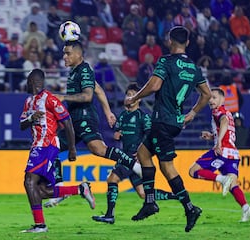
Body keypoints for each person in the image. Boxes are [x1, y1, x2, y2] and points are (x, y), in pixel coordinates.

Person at [125, 26, 212, 232]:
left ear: (169, 41)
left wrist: (134, 97)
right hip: (175, 121)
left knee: (167, 167)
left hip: (162, 120)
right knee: (143, 154)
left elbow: (154, 85)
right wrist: (192, 113)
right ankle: (149, 202)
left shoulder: (166, 61)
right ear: (188, 43)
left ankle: (189, 208)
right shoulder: (193, 67)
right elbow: (207, 94)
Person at [45, 40, 142, 206]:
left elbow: (88, 95)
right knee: (50, 148)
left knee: (98, 149)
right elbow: (98, 89)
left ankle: (133, 165)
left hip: (84, 116)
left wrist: (64, 97)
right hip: (74, 120)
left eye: (68, 53)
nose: (64, 57)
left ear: (78, 54)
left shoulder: (84, 70)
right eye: (64, 53)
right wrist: (108, 111)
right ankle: (60, 189)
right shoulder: (76, 71)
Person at [19, 69, 95, 233]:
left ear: (33, 81)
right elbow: (22, 125)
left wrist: (72, 148)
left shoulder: (50, 99)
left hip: (47, 145)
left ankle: (40, 225)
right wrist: (32, 118)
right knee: (41, 190)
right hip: (37, 145)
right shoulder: (29, 101)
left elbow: (67, 122)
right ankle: (80, 189)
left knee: (29, 181)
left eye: (28, 80)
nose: (26, 83)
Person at [92, 83, 178, 224]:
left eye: (133, 94)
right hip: (125, 155)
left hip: (132, 157)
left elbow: (150, 135)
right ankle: (176, 195)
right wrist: (118, 133)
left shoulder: (143, 117)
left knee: (112, 179)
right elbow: (119, 132)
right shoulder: (123, 115)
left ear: (138, 99)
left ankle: (109, 215)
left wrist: (142, 153)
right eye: (128, 94)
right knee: (143, 193)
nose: (129, 97)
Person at [189, 88, 250, 222]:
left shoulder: (219, 111)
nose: (210, 100)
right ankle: (246, 208)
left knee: (193, 171)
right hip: (233, 154)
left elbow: (223, 121)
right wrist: (213, 136)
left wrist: (218, 142)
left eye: (214, 97)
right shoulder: (228, 113)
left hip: (221, 151)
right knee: (233, 185)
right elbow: (226, 128)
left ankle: (221, 179)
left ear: (222, 99)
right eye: (210, 98)